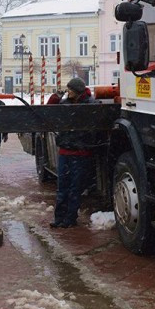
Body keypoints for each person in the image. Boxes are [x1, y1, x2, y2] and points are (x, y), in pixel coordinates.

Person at [50, 77, 98, 228]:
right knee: (62, 187)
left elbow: (93, 129)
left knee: (74, 188)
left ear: (76, 91)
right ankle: (59, 219)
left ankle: (70, 219)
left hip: (80, 153)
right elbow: (49, 111)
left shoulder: (90, 105)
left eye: (70, 89)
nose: (67, 91)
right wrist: (54, 97)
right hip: (66, 151)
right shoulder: (65, 103)